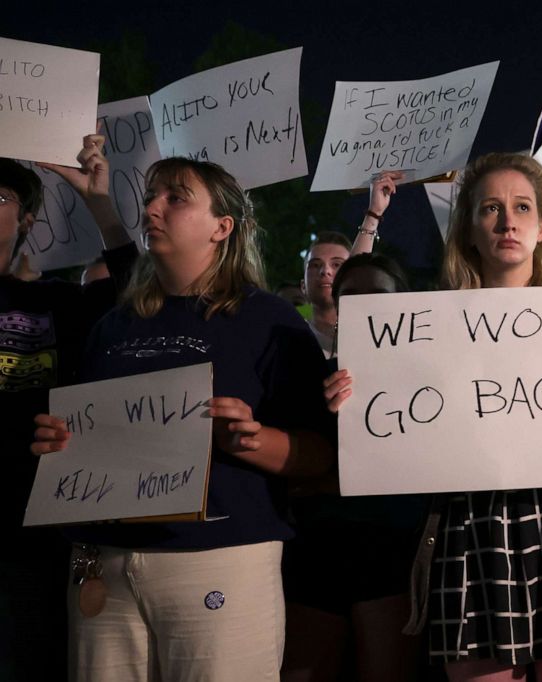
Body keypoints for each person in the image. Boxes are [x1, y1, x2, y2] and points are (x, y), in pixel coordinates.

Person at [324, 153, 542, 681]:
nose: (507, 220)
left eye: (521, 207)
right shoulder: (425, 328)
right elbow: (394, 418)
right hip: (472, 536)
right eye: (491, 208)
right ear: (468, 228)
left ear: (541, 229)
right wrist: (355, 398)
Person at [31, 156, 334, 682]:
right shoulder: (112, 326)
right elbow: (96, 438)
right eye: (151, 195)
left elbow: (323, 458)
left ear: (222, 228)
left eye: (175, 197)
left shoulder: (271, 322)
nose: (152, 207)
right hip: (105, 564)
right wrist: (62, 442)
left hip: (218, 559)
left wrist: (253, 441)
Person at [0, 137, 137, 681]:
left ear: (27, 220)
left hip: (33, 541)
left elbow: (141, 298)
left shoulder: (56, 305)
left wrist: (100, 204)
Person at [283, 252, 425, 682]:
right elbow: (291, 471)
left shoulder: (430, 384)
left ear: (403, 303)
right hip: (316, 554)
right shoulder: (311, 378)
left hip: (392, 553)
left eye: (376, 297)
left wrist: (332, 479)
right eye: (351, 297)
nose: (363, 307)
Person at [302, 172, 403, 358]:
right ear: (302, 286)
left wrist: (374, 213)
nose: (326, 271)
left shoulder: (385, 339)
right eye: (315, 265)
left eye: (337, 265)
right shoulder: (288, 338)